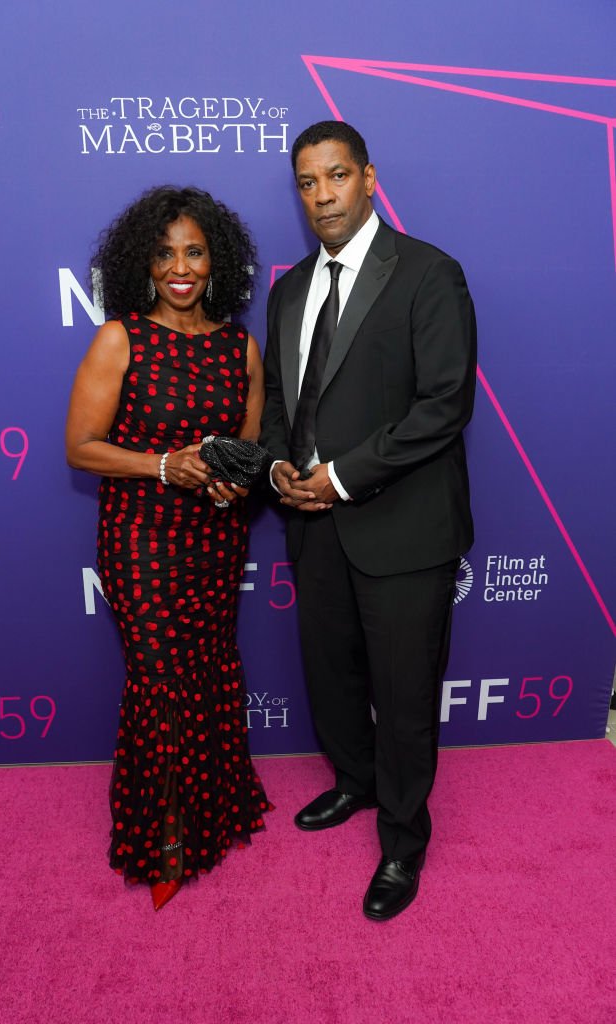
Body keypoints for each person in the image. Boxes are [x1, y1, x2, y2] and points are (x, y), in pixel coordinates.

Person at [260, 121, 476, 921]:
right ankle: (352, 782)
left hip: (404, 528)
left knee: (404, 691)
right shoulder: (287, 291)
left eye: (336, 177)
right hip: (311, 526)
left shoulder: (427, 273)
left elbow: (442, 406)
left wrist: (340, 478)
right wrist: (281, 464)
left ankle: (402, 839)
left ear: (369, 179)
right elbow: (281, 403)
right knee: (333, 675)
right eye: (307, 183)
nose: (322, 196)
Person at [66, 186, 271, 911]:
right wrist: (161, 465)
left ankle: (217, 811)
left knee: (211, 670)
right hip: (140, 539)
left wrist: (230, 486)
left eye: (193, 251)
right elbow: (80, 448)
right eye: (164, 254)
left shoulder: (237, 345)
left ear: (216, 259)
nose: (179, 267)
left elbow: (246, 447)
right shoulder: (120, 338)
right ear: (142, 265)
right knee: (159, 681)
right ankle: (165, 835)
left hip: (214, 540)